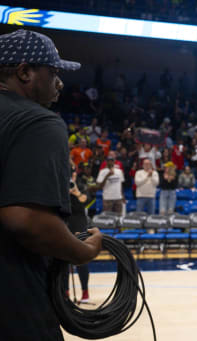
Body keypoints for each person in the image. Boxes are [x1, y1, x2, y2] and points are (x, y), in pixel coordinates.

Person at [0, 29, 103, 340]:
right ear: (25, 72)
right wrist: (82, 252)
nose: (60, 82)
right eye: (54, 72)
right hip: (14, 306)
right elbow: (27, 220)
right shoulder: (38, 121)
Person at [64, 162, 93, 303]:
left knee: (80, 258)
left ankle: (85, 292)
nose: (72, 175)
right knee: (63, 259)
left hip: (79, 222)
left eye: (73, 173)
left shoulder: (80, 184)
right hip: (64, 221)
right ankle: (65, 292)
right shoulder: (60, 184)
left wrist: (76, 192)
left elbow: (85, 200)